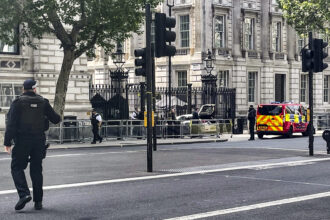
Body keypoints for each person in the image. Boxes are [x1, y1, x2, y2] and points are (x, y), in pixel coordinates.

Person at [3, 79, 61, 211]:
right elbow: (56, 119)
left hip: (22, 141)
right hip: (39, 141)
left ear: (23, 89)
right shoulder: (43, 102)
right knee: (36, 170)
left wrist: (7, 142)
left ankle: (24, 194)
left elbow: (11, 125)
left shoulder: (17, 103)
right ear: (35, 89)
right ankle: (38, 202)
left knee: (16, 167)